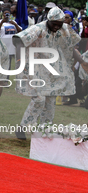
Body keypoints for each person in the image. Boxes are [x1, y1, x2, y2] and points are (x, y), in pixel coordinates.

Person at [13, 7, 88, 140]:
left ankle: (45, 130)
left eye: (59, 25)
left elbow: (71, 48)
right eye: (54, 24)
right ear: (49, 20)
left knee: (50, 99)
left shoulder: (65, 29)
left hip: (52, 70)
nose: (56, 27)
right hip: (35, 66)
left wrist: (82, 62)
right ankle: (23, 127)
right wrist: (19, 60)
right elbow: (19, 41)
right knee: (39, 98)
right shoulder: (38, 28)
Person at [0, 8, 22, 78]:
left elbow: (20, 31)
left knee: (9, 64)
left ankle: (6, 79)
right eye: (5, 13)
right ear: (2, 14)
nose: (6, 15)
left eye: (8, 14)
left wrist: (15, 25)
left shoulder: (13, 22)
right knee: (0, 63)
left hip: (11, 47)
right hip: (2, 46)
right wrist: (2, 22)